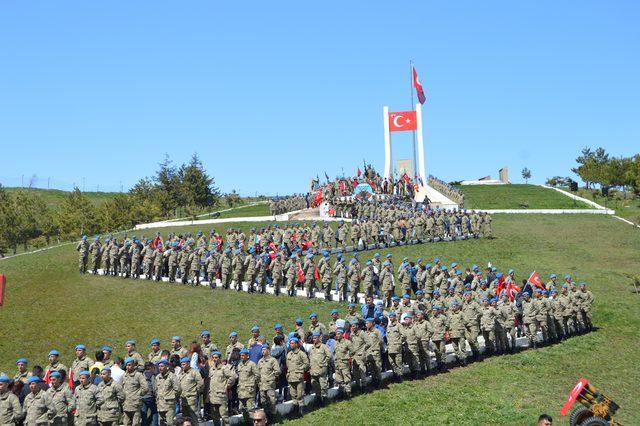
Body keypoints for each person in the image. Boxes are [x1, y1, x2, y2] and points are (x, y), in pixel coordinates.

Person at [208, 351, 237, 426]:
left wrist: (227, 386)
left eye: (216, 358)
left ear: (220, 358)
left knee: (224, 416)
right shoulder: (211, 369)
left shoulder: (224, 368)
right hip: (213, 396)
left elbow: (232, 377)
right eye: (213, 358)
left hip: (221, 396)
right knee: (214, 417)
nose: (214, 359)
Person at [285, 338, 309, 416]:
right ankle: (295, 410)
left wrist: (300, 369)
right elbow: (288, 365)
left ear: (296, 344)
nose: (291, 345)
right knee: (293, 394)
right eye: (290, 343)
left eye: (292, 343)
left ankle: (302, 410)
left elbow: (306, 364)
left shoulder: (301, 353)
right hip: (291, 377)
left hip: (298, 377)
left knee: (300, 394)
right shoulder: (289, 354)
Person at [256, 344, 280, 423]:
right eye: (262, 350)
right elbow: (258, 373)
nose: (263, 351)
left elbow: (277, 371)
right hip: (262, 386)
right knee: (263, 402)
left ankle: (273, 418)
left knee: (272, 401)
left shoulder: (272, 360)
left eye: (264, 349)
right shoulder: (260, 361)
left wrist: (272, 378)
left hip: (269, 385)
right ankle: (266, 419)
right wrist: (258, 382)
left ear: (268, 350)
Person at [122, 357, 149, 426]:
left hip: (135, 404)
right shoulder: (124, 376)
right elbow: (121, 388)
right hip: (126, 404)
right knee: (126, 423)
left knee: (135, 424)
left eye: (130, 365)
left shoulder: (138, 375)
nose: (128, 367)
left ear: (134, 365)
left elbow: (145, 388)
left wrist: (138, 395)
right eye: (127, 365)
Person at [308, 332, 331, 406]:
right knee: (315, 385)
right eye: (313, 338)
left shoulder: (323, 346)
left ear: (319, 338)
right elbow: (310, 357)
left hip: (321, 369)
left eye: (315, 338)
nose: (314, 340)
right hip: (313, 370)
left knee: (323, 385)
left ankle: (324, 400)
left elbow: (329, 356)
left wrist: (324, 364)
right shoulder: (312, 348)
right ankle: (318, 399)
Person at [155, 360, 180, 426]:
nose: (160, 368)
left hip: (169, 405)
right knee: (161, 423)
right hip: (160, 405)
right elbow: (156, 390)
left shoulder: (172, 376)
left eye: (162, 366)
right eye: (159, 366)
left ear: (167, 367)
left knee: (169, 423)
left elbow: (178, 389)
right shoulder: (157, 377)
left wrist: (170, 396)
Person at [178, 357, 202, 425]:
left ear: (188, 364)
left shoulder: (194, 372)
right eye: (181, 365)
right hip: (183, 398)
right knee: (185, 418)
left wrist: (195, 391)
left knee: (193, 416)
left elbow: (200, 383)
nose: (182, 366)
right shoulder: (181, 373)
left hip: (191, 398)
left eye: (184, 364)